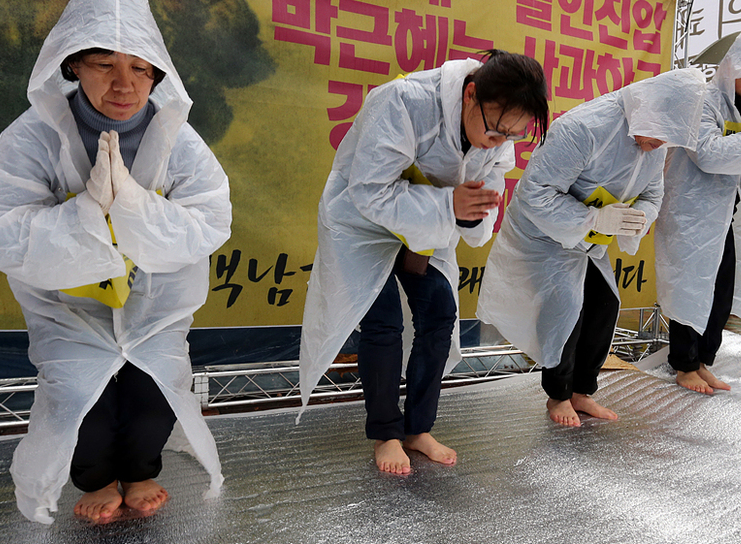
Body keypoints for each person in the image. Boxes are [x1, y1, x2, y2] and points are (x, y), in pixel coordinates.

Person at [0, 0, 231, 523]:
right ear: (73, 65)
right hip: (68, 307)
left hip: (155, 303)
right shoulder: (34, 135)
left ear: (157, 73)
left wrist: (133, 204)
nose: (124, 84)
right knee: (76, 399)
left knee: (152, 390)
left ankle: (139, 473)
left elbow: (209, 218)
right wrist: (85, 211)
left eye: (139, 68)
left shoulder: (175, 138)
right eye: (104, 64)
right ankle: (97, 479)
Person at [297, 50, 550, 474]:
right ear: (471, 94)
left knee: (440, 312)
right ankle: (385, 433)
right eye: (495, 129)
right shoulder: (403, 101)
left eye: (512, 134)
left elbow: (481, 205)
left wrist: (470, 213)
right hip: (362, 224)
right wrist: (448, 202)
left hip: (428, 229)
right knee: (384, 323)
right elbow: (370, 190)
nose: (499, 141)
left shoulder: (497, 139)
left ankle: (417, 428)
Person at [477, 68, 707, 426]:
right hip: (544, 232)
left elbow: (653, 192)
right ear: (648, 111)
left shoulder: (656, 138)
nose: (659, 146)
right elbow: (539, 193)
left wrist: (640, 217)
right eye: (660, 136)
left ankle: (582, 391)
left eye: (669, 140)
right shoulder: (583, 128)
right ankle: (558, 395)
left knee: (605, 304)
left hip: (589, 239)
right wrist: (593, 220)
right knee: (565, 308)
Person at [655, 29, 741, 395]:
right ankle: (683, 365)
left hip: (723, 217)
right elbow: (708, 153)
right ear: (733, 68)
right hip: (690, 214)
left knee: (720, 293)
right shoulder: (703, 101)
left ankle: (701, 361)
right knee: (691, 289)